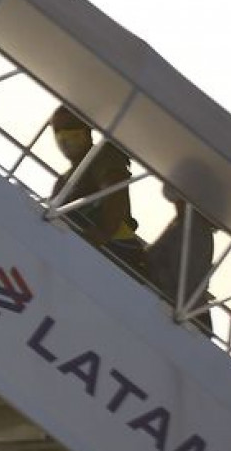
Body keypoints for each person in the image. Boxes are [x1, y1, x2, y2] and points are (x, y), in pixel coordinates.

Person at [50, 106, 146, 272]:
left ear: (86, 128)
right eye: (57, 130)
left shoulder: (103, 156)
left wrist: (92, 240)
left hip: (113, 249)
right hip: (79, 247)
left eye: (70, 128)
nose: (63, 135)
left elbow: (115, 196)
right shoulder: (63, 179)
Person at [144, 188, 217, 332]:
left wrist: (150, 268)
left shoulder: (194, 231)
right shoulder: (183, 222)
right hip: (183, 311)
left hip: (187, 318)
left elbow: (186, 281)